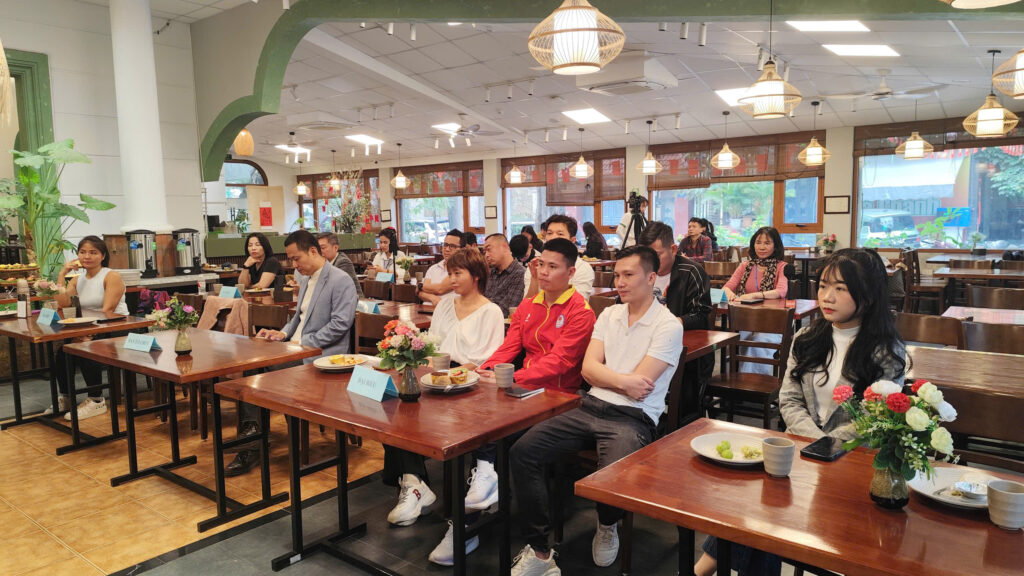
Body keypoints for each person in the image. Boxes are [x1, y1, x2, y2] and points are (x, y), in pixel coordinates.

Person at [695, 249, 908, 576]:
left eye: (840, 288)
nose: (827, 297)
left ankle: (700, 570)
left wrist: (825, 447)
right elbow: (790, 399)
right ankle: (703, 569)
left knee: (763, 515)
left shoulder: (886, 351)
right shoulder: (807, 338)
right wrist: (814, 443)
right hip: (800, 452)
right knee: (754, 510)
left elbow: (871, 420)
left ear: (867, 295)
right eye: (823, 286)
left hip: (853, 464)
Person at [509, 246, 683, 575]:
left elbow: (641, 385)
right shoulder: (609, 314)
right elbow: (588, 370)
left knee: (609, 476)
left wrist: (610, 378)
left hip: (634, 417)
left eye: (628, 275)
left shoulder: (668, 325)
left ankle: (607, 524)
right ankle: (540, 550)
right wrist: (622, 381)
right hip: (589, 404)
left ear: (651, 278)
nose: (620, 282)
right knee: (523, 451)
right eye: (617, 275)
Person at [427, 238, 596, 566]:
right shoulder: (530, 305)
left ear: (571, 272)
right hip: (522, 391)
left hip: (560, 397)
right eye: (541, 265)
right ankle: (468, 517)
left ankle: (480, 514)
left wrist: (514, 378)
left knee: (497, 435)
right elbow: (509, 347)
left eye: (553, 267)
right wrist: (487, 369)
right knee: (471, 420)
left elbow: (561, 362)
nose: (543, 272)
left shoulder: (580, 311)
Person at [384, 248, 506, 565]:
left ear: (476, 276)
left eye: (457, 273)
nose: (451, 279)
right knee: (396, 410)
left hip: (473, 383)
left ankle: (465, 517)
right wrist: (425, 365)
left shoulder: (491, 311)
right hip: (437, 376)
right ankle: (413, 483)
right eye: (449, 273)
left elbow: (489, 358)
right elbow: (433, 345)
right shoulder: (445, 305)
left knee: (452, 423)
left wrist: (453, 372)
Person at [225, 230, 357, 476]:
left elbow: (340, 325)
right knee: (252, 364)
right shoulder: (306, 279)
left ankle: (252, 442)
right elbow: (297, 318)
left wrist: (302, 343)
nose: (294, 265)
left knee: (264, 369)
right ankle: (253, 435)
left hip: (320, 355)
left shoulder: (340, 280)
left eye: (296, 259)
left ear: (313, 251)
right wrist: (282, 334)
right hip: (295, 349)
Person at [47, 236, 130, 420]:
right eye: (83, 252)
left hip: (115, 326)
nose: (87, 256)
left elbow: (107, 311)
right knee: (63, 352)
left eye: (93, 252)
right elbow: (63, 303)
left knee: (87, 348)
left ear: (103, 256)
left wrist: (89, 334)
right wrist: (62, 274)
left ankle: (96, 400)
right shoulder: (77, 279)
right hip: (90, 327)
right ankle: (67, 397)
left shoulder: (111, 276)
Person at [723, 226, 789, 375]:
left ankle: (751, 383)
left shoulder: (782, 266)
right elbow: (727, 286)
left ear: (776, 246)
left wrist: (754, 295)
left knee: (756, 343)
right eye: (758, 242)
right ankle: (738, 379)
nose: (762, 247)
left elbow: (781, 291)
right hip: (746, 319)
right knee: (735, 339)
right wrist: (729, 293)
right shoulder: (745, 265)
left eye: (767, 243)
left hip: (773, 321)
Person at [637, 221, 712, 329]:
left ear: (673, 250)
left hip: (680, 334)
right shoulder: (640, 271)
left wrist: (671, 323)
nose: (650, 261)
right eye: (645, 256)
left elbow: (701, 315)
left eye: (656, 255)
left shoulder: (692, 272)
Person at [525, 215, 595, 300]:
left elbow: (578, 304)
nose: (553, 238)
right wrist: (534, 279)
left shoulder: (582, 268)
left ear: (572, 240)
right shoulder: (535, 266)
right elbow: (526, 304)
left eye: (560, 234)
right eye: (549, 233)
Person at [482, 233, 527, 316]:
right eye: (484, 252)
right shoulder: (490, 272)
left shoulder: (520, 274)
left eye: (489, 249)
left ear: (505, 247)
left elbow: (507, 310)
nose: (486, 255)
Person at [419, 229, 464, 304]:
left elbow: (439, 289)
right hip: (427, 308)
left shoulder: (462, 269)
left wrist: (420, 286)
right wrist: (431, 297)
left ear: (462, 249)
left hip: (449, 309)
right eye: (445, 245)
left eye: (452, 246)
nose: (447, 249)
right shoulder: (433, 268)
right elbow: (420, 293)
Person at [316, 231, 363, 298]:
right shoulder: (323, 263)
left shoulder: (343, 262)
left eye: (323, 248)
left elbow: (334, 287)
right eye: (318, 248)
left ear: (335, 248)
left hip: (353, 301)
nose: (319, 251)